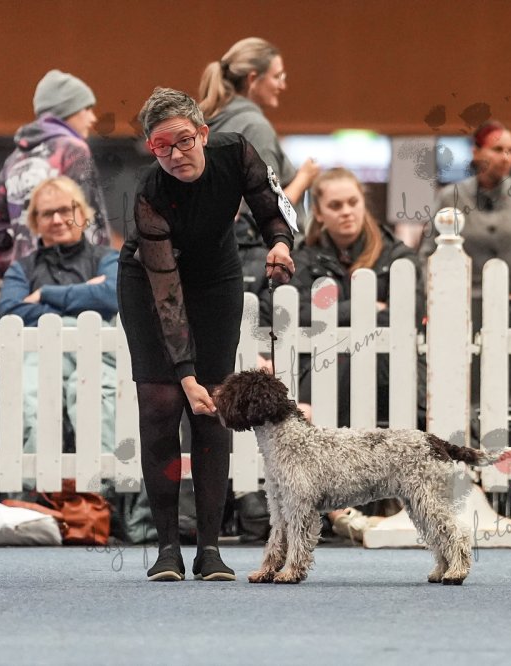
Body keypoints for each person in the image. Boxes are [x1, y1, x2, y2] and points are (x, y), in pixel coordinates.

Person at [118, 87, 294, 581]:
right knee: (161, 406)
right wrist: (184, 374)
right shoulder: (150, 195)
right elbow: (167, 295)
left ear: (203, 133)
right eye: (161, 147)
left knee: (214, 410)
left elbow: (271, 205)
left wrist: (280, 243)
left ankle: (210, 549)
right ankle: (168, 548)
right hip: (151, 283)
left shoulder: (235, 152)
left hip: (216, 277)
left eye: (183, 141)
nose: (175, 155)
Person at [288, 167, 426, 542]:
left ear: (364, 204)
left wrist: (336, 313)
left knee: (346, 360)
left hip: (388, 374)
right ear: (319, 212)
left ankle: (332, 504)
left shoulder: (399, 256)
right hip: (326, 371)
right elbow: (296, 313)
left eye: (353, 202)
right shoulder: (304, 260)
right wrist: (363, 307)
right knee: (339, 359)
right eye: (335, 205)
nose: (346, 211)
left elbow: (407, 314)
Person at [0, 177, 119, 512]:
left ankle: (101, 500)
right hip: (33, 358)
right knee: (25, 401)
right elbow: (10, 312)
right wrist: (83, 298)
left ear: (82, 213)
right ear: (35, 222)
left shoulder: (108, 259)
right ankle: (24, 497)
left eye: (66, 210)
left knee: (95, 399)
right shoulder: (22, 269)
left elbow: (112, 295)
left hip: (97, 358)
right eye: (47, 213)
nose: (58, 219)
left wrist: (46, 295)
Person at [199, 37, 320, 294]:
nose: (283, 85)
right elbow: (266, 208)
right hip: (263, 266)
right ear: (253, 79)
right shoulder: (255, 128)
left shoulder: (213, 122)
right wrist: (303, 179)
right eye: (277, 76)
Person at [0, 69, 109, 277]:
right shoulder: (72, 149)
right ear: (67, 109)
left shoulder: (16, 158)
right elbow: (90, 220)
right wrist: (105, 272)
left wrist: (15, 260)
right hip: (70, 277)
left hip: (24, 279)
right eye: (87, 108)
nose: (93, 118)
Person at [419, 120, 511, 296]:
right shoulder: (450, 196)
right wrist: (438, 295)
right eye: (497, 150)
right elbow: (428, 253)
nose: (506, 158)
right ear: (476, 153)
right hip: (460, 298)